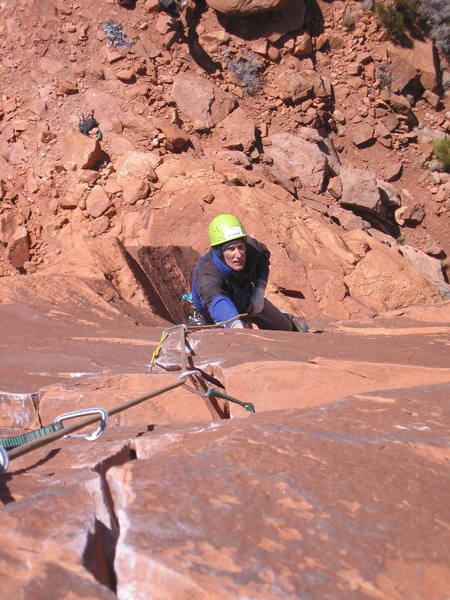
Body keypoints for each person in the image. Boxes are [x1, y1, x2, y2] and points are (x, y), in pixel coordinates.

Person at [191, 214, 308, 331]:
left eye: (240, 247)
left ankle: (286, 319)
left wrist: (259, 291)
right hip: (216, 313)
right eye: (231, 249)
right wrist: (234, 323)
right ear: (219, 251)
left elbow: (262, 262)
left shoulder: (252, 248)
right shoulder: (206, 272)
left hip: (245, 298)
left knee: (285, 328)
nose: (238, 254)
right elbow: (217, 300)